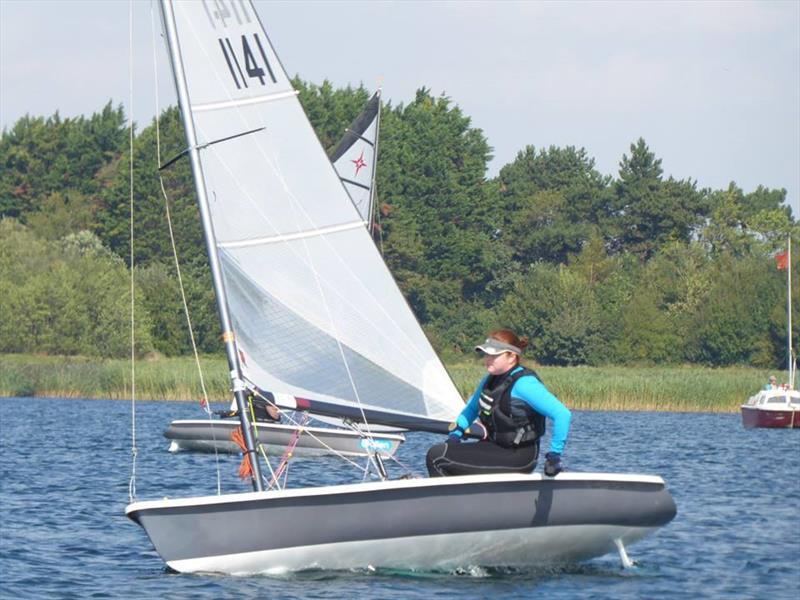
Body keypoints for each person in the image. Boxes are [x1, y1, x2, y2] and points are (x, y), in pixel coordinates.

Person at [426, 329, 571, 478]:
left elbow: (562, 414)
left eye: (494, 355)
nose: (488, 359)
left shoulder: (525, 384)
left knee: (437, 456)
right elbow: (471, 409)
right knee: (443, 451)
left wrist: (554, 455)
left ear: (512, 357)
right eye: (486, 354)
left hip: (519, 456)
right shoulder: (490, 379)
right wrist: (456, 434)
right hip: (494, 447)